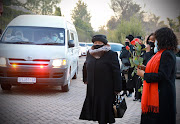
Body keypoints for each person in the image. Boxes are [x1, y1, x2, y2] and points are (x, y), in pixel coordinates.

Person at [137, 27, 177, 124]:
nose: (155, 42)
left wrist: (144, 75)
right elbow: (158, 70)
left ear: (162, 39)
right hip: (158, 95)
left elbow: (162, 76)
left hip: (162, 97)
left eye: (156, 40)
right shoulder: (160, 53)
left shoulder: (167, 54)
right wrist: (145, 68)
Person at [79, 34, 122, 124]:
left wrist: (117, 88)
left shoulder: (111, 54)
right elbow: (85, 65)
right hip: (93, 88)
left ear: (104, 43)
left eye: (100, 42)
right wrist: (86, 78)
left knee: (104, 111)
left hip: (106, 89)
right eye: (95, 42)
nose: (97, 44)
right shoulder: (90, 53)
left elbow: (116, 72)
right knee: (96, 111)